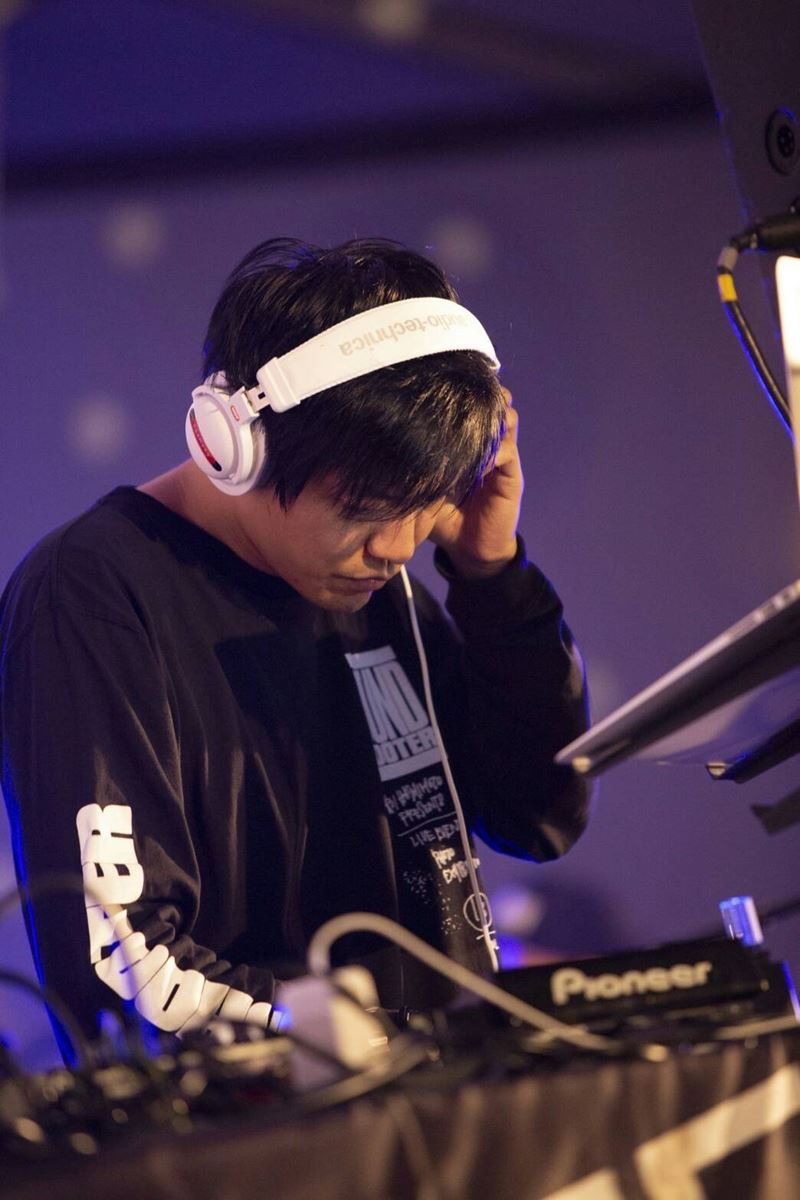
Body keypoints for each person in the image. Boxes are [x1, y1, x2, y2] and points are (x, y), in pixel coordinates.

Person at [0, 237, 591, 1060]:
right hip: (268, 1129)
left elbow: (538, 816)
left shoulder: (379, 587)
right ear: (233, 444)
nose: (397, 547)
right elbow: (125, 979)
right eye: (363, 508)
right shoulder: (90, 591)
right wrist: (377, 1052)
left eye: (422, 504)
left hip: (437, 1106)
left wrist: (493, 580)